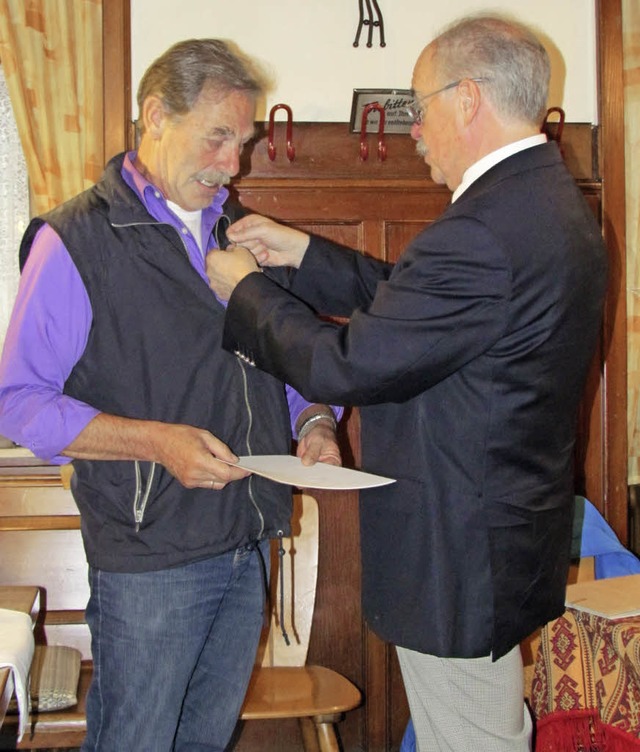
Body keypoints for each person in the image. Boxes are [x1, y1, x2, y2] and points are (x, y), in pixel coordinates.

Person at [206, 13, 608, 752]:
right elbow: (422, 306)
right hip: (497, 541)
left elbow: (349, 365)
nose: (411, 130)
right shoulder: (548, 204)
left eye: (416, 108)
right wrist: (303, 254)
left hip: (457, 559)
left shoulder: (482, 231)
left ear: (466, 99)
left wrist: (245, 293)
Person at [0, 39, 341, 752]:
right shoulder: (74, 240)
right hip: (151, 563)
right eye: (217, 136)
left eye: (242, 143)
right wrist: (157, 443)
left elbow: (282, 359)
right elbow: (18, 400)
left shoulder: (239, 234)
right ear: (155, 115)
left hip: (246, 546)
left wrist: (313, 418)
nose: (232, 163)